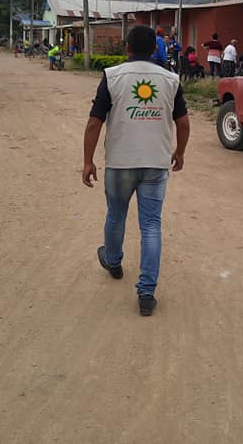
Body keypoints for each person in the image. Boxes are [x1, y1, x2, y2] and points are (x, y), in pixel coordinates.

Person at [83, 25, 190, 317]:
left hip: (120, 163)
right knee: (151, 225)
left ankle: (113, 261)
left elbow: (94, 123)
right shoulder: (171, 79)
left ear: (127, 47)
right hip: (155, 164)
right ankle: (146, 292)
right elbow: (183, 123)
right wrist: (180, 152)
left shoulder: (112, 76)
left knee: (116, 215)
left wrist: (88, 161)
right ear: (154, 49)